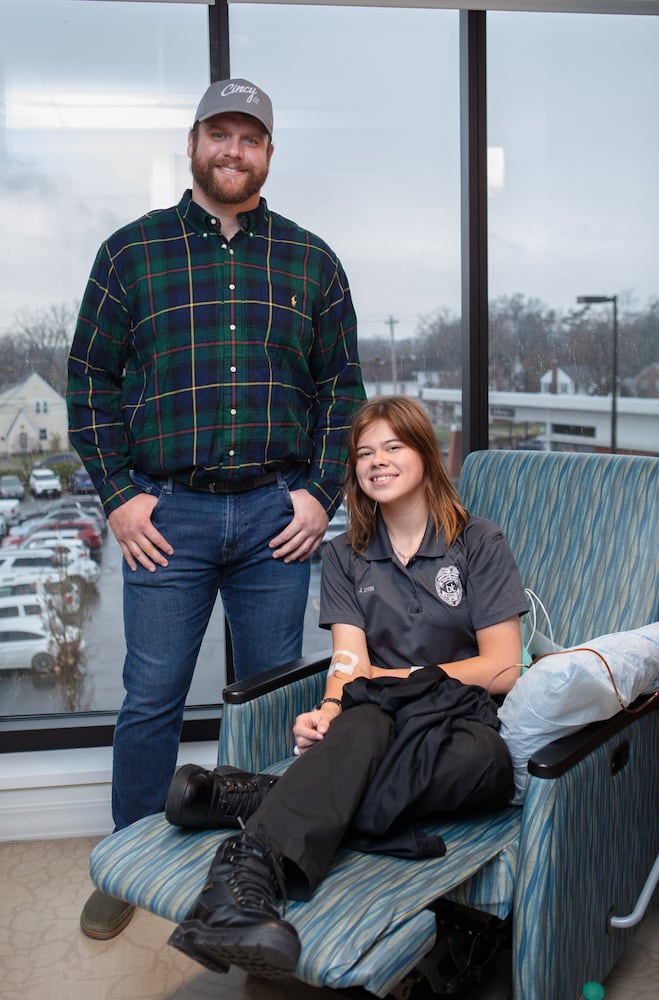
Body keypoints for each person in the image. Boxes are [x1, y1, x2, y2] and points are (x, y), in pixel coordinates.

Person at [66, 77, 365, 940]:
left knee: (272, 703)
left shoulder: (311, 261)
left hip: (279, 516)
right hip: (169, 518)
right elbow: (89, 383)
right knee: (151, 696)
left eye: (251, 139)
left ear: (269, 154)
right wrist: (120, 499)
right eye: (219, 135)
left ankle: (256, 864)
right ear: (194, 143)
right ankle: (125, 863)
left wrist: (318, 490)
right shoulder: (131, 254)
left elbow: (340, 390)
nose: (233, 152)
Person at [163, 395, 529, 979]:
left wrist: (390, 678)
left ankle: (261, 796)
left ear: (425, 456)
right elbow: (347, 661)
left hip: (463, 722)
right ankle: (241, 884)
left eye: (393, 447)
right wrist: (331, 706)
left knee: (486, 767)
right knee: (360, 720)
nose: (377, 461)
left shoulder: (479, 542)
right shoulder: (345, 555)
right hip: (376, 718)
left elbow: (504, 668)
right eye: (363, 453)